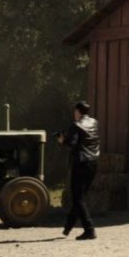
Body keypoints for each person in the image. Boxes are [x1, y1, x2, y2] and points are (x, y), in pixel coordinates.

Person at [57, 100, 100, 240]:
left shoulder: (76, 125)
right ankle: (68, 227)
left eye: (74, 112)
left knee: (78, 198)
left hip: (81, 163)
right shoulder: (94, 122)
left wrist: (63, 140)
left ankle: (89, 229)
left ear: (77, 111)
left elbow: (73, 144)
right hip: (93, 163)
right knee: (80, 198)